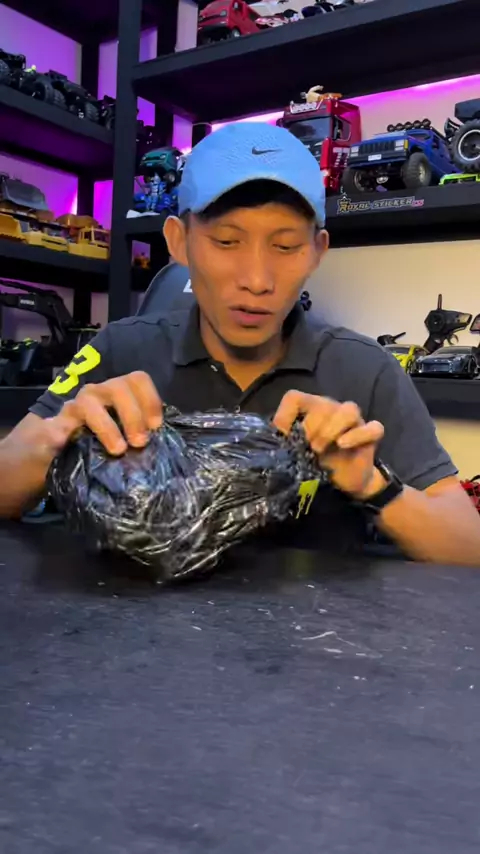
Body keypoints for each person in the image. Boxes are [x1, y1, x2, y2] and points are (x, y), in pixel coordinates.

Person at [1, 122, 479, 565]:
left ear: (317, 251)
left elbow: (469, 546)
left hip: (315, 628)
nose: (257, 280)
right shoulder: (120, 350)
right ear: (178, 241)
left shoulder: (365, 370)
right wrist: (59, 435)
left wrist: (373, 485)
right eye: (226, 242)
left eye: (286, 246)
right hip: (135, 620)